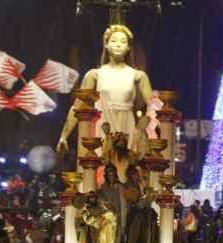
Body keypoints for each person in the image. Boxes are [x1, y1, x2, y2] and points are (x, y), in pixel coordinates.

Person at [58, 24, 154, 152]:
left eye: (123, 41)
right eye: (113, 41)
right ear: (106, 45)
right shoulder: (94, 75)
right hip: (102, 126)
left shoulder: (138, 76)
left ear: (128, 48)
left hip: (127, 127)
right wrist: (64, 135)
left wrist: (146, 130)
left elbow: (154, 107)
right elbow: (77, 107)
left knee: (124, 166)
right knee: (99, 167)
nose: (118, 44)